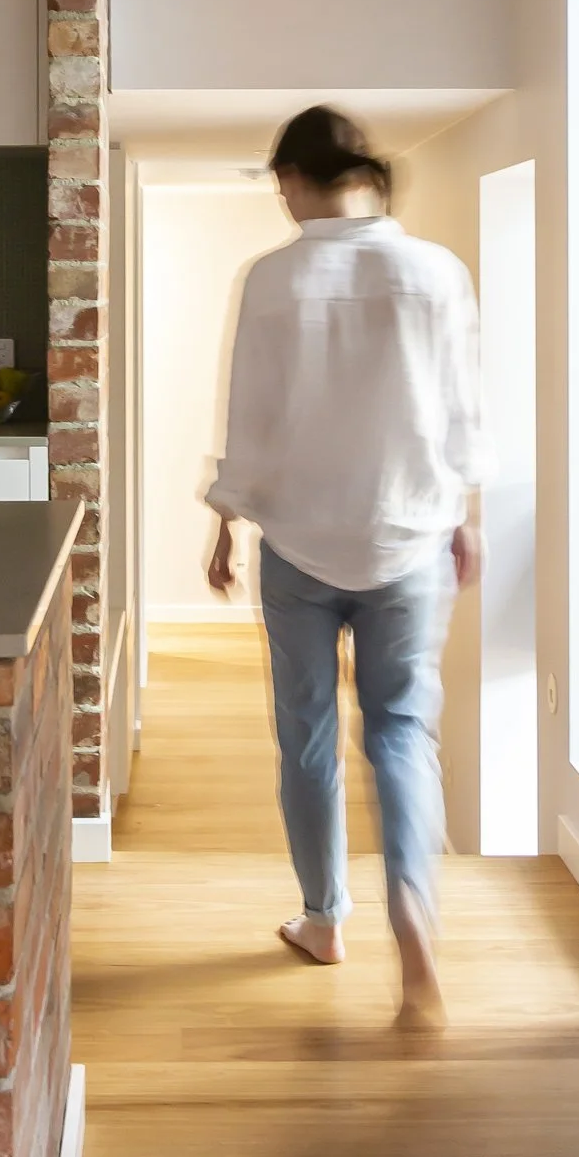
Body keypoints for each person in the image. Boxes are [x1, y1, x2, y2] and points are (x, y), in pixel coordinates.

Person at [205, 105, 481, 1031]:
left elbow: (254, 414)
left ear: (299, 175)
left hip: (299, 541)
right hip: (409, 535)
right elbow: (459, 410)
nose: (280, 197)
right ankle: (414, 919)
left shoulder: (276, 278)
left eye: (280, 180)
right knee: (403, 732)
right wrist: (462, 514)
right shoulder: (438, 271)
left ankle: (325, 921)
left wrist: (224, 518)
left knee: (309, 735)